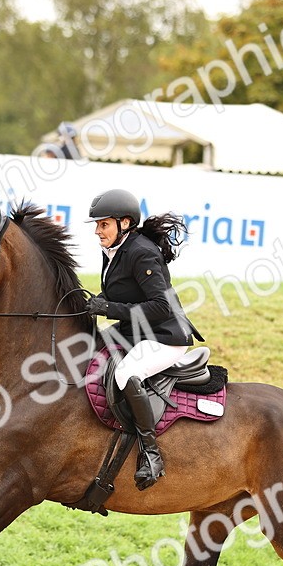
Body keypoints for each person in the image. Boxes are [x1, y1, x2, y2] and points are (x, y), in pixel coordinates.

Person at [84, 189, 199, 491]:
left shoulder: (141, 251)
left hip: (165, 335)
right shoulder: (114, 249)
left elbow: (162, 306)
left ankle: (151, 453)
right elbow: (121, 293)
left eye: (103, 225)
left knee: (126, 373)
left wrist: (108, 308)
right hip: (135, 330)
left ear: (124, 223)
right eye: (96, 225)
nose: (97, 231)